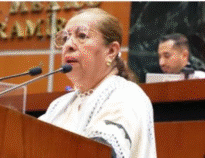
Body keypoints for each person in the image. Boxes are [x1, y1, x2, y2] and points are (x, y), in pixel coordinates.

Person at [39, 8, 157, 158]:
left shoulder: (127, 95)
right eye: (65, 38)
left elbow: (101, 152)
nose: (68, 45)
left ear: (111, 51)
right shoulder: (58, 106)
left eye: (82, 36)